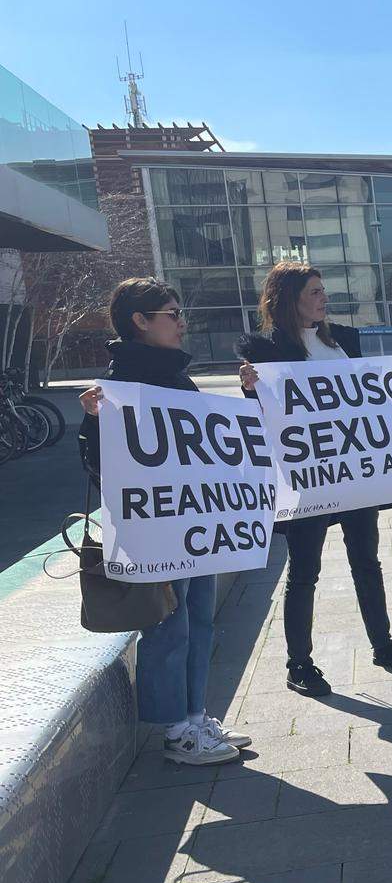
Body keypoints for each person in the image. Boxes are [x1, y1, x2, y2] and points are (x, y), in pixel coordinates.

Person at [78, 278, 247, 765]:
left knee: (198, 620)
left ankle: (195, 717)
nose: (182, 323)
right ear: (140, 321)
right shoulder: (120, 383)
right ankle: (176, 732)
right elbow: (97, 461)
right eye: (172, 314)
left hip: (193, 518)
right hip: (160, 527)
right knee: (169, 625)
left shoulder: (171, 373)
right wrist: (94, 420)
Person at [237, 262, 392, 695]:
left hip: (353, 473)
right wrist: (249, 389)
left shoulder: (342, 339)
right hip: (307, 479)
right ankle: (299, 664)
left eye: (323, 291)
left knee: (367, 562)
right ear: (289, 299)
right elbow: (260, 416)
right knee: (304, 571)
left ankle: (383, 645)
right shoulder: (264, 351)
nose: (324, 298)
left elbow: (369, 397)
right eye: (315, 292)